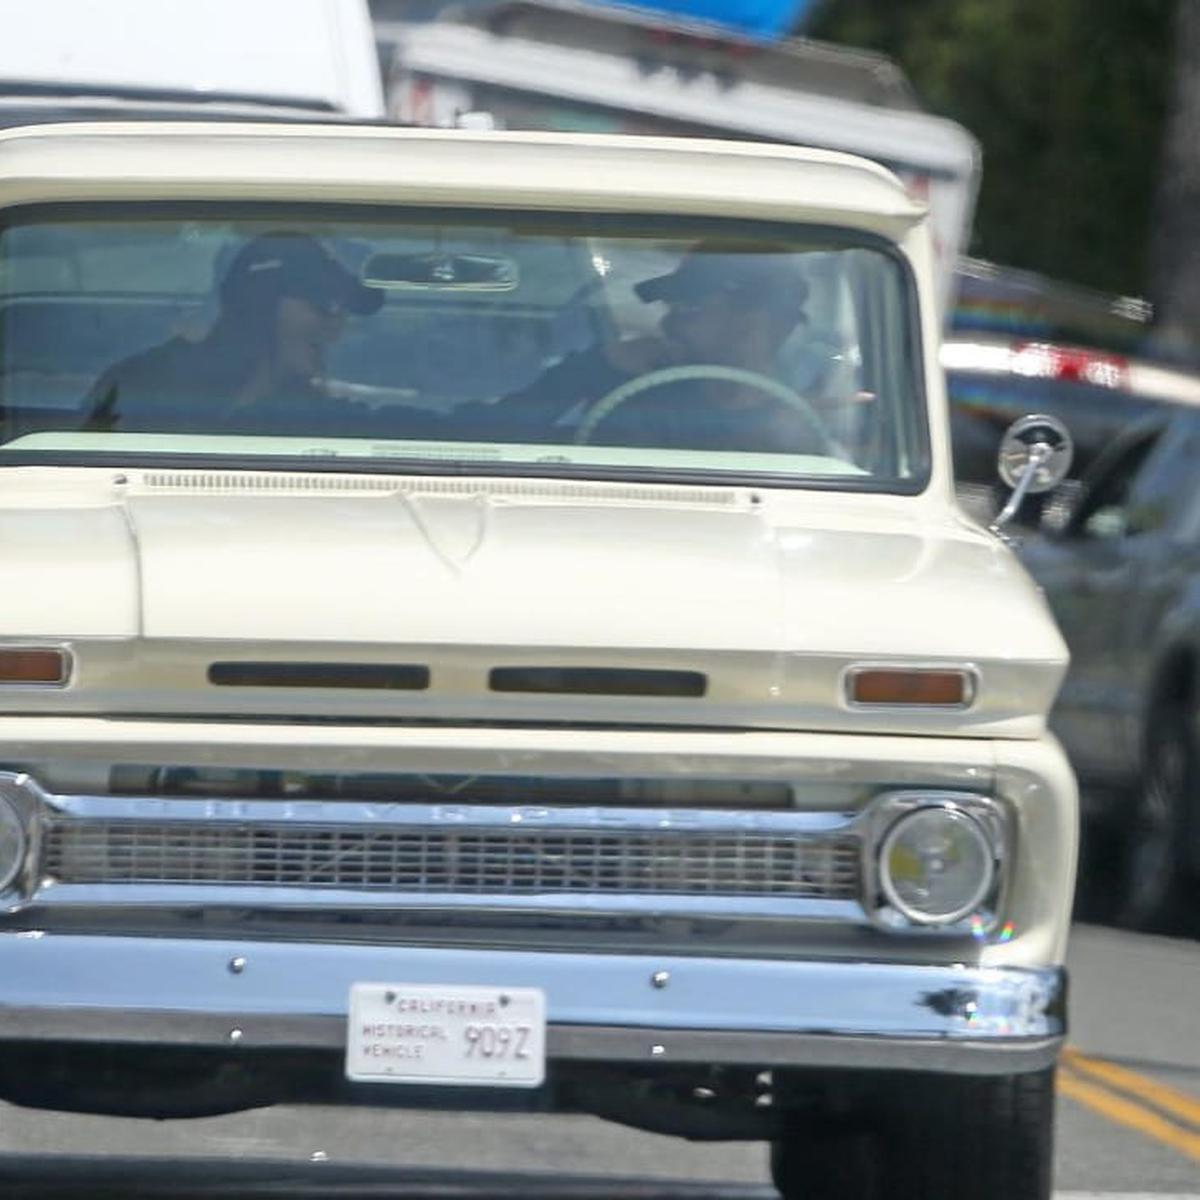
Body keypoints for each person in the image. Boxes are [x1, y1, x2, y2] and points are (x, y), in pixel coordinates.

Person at [487, 242, 828, 453]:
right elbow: (489, 435)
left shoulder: (818, 406)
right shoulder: (632, 393)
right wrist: (595, 367)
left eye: (688, 309)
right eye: (671, 309)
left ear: (753, 321)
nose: (668, 323)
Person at [84, 232, 384, 436]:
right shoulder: (138, 388)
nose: (338, 324)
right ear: (257, 305)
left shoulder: (310, 410)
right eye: (324, 305)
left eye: (344, 309)